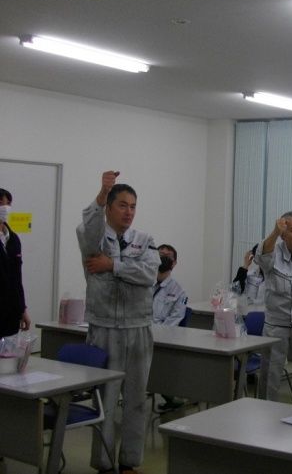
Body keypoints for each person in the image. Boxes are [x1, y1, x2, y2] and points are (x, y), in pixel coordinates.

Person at [76, 171, 159, 474]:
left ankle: (129, 462)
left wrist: (112, 265)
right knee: (106, 401)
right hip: (105, 327)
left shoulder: (144, 240)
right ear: (108, 207)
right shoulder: (94, 238)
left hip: (139, 326)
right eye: (122, 205)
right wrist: (101, 193)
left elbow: (149, 274)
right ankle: (104, 464)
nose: (128, 212)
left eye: (133, 206)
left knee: (136, 400)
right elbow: (88, 225)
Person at [253, 212, 292, 401]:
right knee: (270, 375)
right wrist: (274, 233)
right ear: (283, 235)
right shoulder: (274, 253)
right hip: (276, 323)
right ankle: (266, 413)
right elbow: (261, 256)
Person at [152, 243, 188, 411]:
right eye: (160, 254)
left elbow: (174, 320)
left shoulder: (179, 291)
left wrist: (154, 334)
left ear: (174, 263)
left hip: (160, 338)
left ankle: (169, 394)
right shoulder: (143, 282)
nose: (163, 258)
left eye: (168, 256)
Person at [0, 188, 31, 337]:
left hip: (10, 311)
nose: (5, 207)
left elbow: (17, 278)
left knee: (8, 350)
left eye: (8, 203)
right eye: (1, 203)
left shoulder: (13, 239)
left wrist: (22, 308)